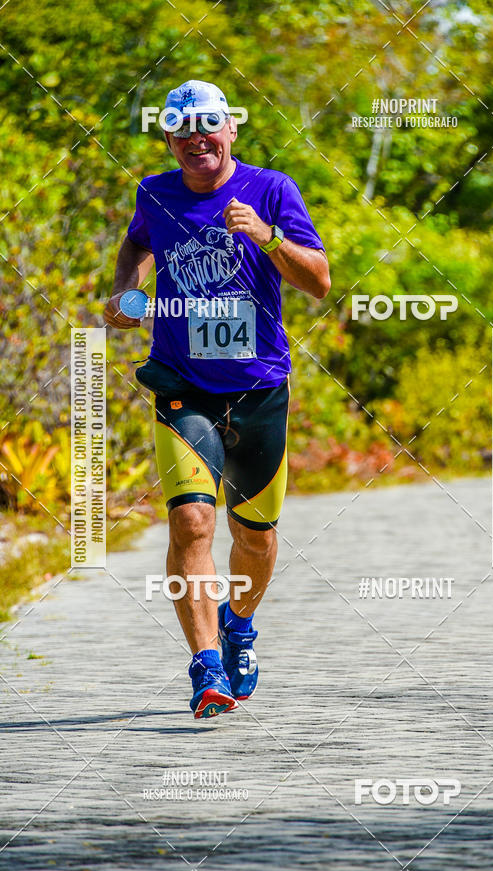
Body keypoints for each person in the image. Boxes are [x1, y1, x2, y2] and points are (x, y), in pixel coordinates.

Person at [103, 80, 330, 717]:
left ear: (231, 132)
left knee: (253, 537)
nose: (196, 142)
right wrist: (127, 291)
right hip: (181, 385)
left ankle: (239, 624)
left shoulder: (272, 189)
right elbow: (137, 240)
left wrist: (265, 236)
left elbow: (319, 282)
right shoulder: (156, 190)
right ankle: (206, 668)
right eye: (182, 134)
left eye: (209, 130)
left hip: (258, 388)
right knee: (192, 521)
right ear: (170, 140)